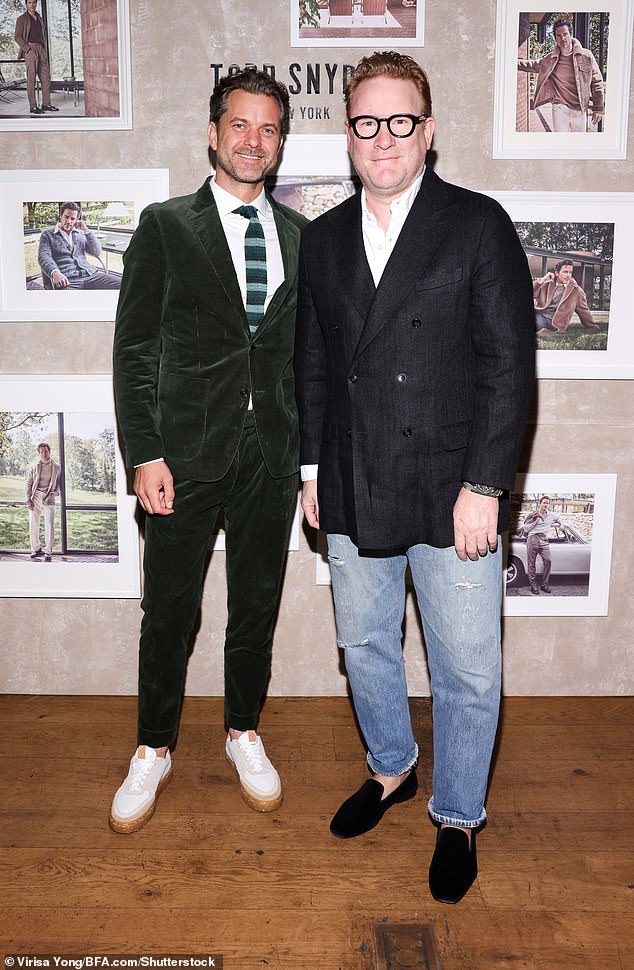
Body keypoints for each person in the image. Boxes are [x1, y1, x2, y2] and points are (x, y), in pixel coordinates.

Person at [294, 51, 535, 904]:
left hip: (450, 490)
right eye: (367, 122)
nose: (383, 137)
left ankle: (459, 814)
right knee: (364, 643)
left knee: (466, 667)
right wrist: (313, 468)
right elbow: (314, 362)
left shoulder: (478, 224)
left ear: (427, 132)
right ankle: (391, 769)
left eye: (401, 121)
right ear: (348, 132)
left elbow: (509, 369)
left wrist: (486, 485)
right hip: (354, 481)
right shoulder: (321, 238)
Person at [110, 69, 308, 834]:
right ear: (212, 131)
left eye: (267, 129)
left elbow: (301, 358)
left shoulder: (301, 236)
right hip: (181, 457)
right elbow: (134, 352)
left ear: (279, 142)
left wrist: (309, 460)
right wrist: (144, 454)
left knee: (255, 606)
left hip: (272, 457)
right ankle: (153, 746)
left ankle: (242, 731)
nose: (252, 140)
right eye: (239, 125)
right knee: (169, 613)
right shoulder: (165, 226)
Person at [517, 18, 604, 133]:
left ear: (571, 35)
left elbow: (596, 82)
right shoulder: (550, 59)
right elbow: (533, 64)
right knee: (560, 142)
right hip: (559, 108)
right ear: (555, 38)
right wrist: (513, 62)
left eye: (565, 34)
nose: (562, 38)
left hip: (580, 109)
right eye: (559, 36)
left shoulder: (586, 56)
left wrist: (598, 108)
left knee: (579, 145)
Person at [37, 202, 121, 290]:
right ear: (60, 216)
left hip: (90, 274)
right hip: (67, 280)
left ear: (77, 220)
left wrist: (86, 230)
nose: (69, 221)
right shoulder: (47, 235)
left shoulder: (80, 233)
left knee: (124, 286)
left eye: (72, 219)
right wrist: (55, 272)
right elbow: (44, 257)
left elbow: (96, 252)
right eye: (66, 217)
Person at [14, 0, 58, 116]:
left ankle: (46, 104)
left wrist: (43, 49)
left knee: (46, 77)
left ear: (36, 3)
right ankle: (33, 107)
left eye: (34, 2)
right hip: (30, 48)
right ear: (26, 4)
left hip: (41, 49)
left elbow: (42, 35)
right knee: (31, 79)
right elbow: (17, 37)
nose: (32, 5)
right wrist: (27, 49)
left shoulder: (39, 18)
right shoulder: (21, 19)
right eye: (29, 2)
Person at [533, 259, 599, 335]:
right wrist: (541, 281)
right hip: (540, 315)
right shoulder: (547, 284)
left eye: (570, 272)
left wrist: (592, 325)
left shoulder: (576, 290)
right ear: (557, 273)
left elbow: (583, 310)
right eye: (565, 272)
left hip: (554, 323)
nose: (568, 275)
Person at [25, 442, 61, 562]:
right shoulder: (34, 466)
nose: (44, 454)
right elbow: (28, 483)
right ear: (38, 453)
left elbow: (59, 484)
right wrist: (28, 499)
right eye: (41, 452)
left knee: (49, 525)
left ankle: (48, 551)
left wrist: (56, 493)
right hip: (36, 497)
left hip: (49, 497)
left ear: (49, 451)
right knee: (33, 523)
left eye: (46, 451)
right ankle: (36, 549)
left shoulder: (57, 467)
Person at [522, 495, 563, 595]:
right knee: (531, 564)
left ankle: (544, 585)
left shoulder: (551, 515)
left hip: (544, 540)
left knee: (548, 560)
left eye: (547, 503)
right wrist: (535, 521)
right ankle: (533, 586)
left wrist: (561, 524)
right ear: (540, 503)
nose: (545, 504)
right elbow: (526, 529)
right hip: (533, 539)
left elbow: (559, 518)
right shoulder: (533, 515)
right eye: (544, 502)